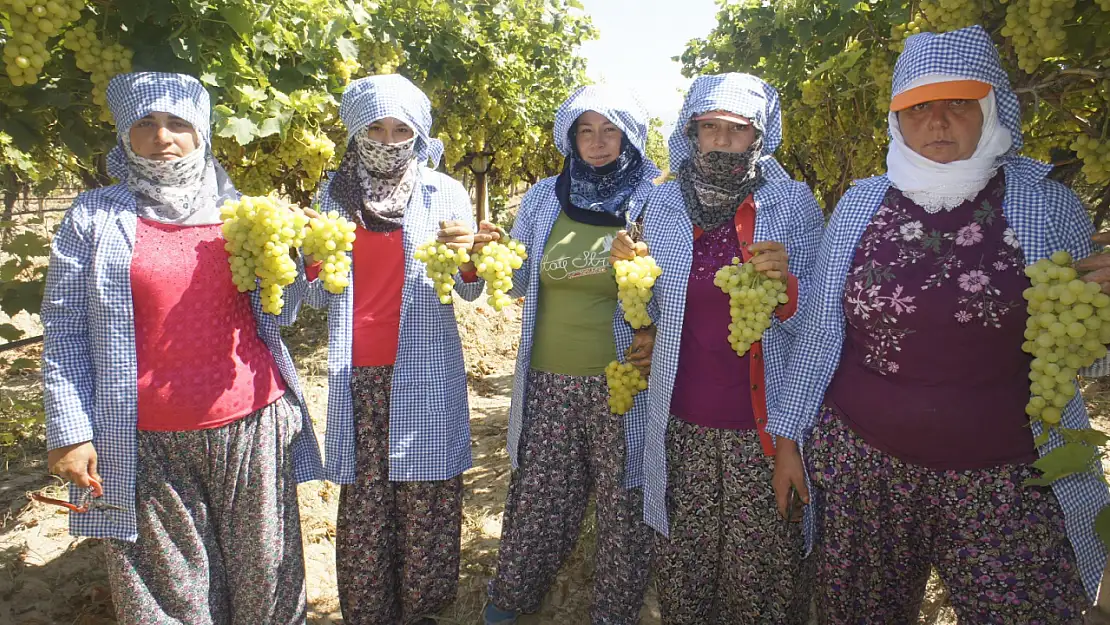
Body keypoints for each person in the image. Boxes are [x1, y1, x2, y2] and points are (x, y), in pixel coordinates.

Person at [769, 25, 1110, 623]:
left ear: (990, 110)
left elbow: (1087, 355)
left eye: (959, 103)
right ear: (897, 123)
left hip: (1008, 479)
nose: (938, 122)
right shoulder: (861, 202)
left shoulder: (1045, 204)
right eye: (919, 108)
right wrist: (790, 438)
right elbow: (824, 330)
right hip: (863, 468)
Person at [42, 71, 323, 624]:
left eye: (178, 123)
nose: (162, 136)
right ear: (124, 136)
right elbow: (65, 330)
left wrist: (302, 255)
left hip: (250, 428)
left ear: (203, 134)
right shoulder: (93, 218)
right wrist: (70, 431)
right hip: (144, 442)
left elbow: (281, 311)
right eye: (145, 123)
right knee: (166, 602)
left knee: (267, 588)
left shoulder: (243, 215)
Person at [609, 73, 823, 624]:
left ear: (758, 136)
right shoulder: (661, 205)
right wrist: (635, 298)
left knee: (762, 584)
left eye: (736, 129)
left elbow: (823, 325)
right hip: (680, 429)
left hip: (763, 432)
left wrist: (789, 292)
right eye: (710, 128)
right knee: (685, 576)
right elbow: (648, 308)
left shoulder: (793, 203)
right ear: (693, 133)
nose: (722, 140)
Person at [280, 74, 483, 625]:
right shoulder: (333, 193)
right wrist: (311, 257)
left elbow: (468, 289)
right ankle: (371, 613)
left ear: (417, 134)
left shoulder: (446, 192)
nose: (389, 140)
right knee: (367, 505)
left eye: (402, 130)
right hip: (358, 374)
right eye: (376, 127)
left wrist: (469, 258)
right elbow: (316, 291)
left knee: (427, 497)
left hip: (426, 367)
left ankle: (424, 612)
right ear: (356, 130)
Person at [482, 85, 660, 625]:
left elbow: (669, 283)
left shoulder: (654, 198)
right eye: (587, 130)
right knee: (538, 498)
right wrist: (489, 252)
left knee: (622, 508)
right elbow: (517, 280)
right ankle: (509, 599)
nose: (599, 143)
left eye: (610, 131)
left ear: (629, 135)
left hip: (623, 383)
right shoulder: (543, 197)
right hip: (548, 380)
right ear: (571, 137)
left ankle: (615, 611)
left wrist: (651, 322)